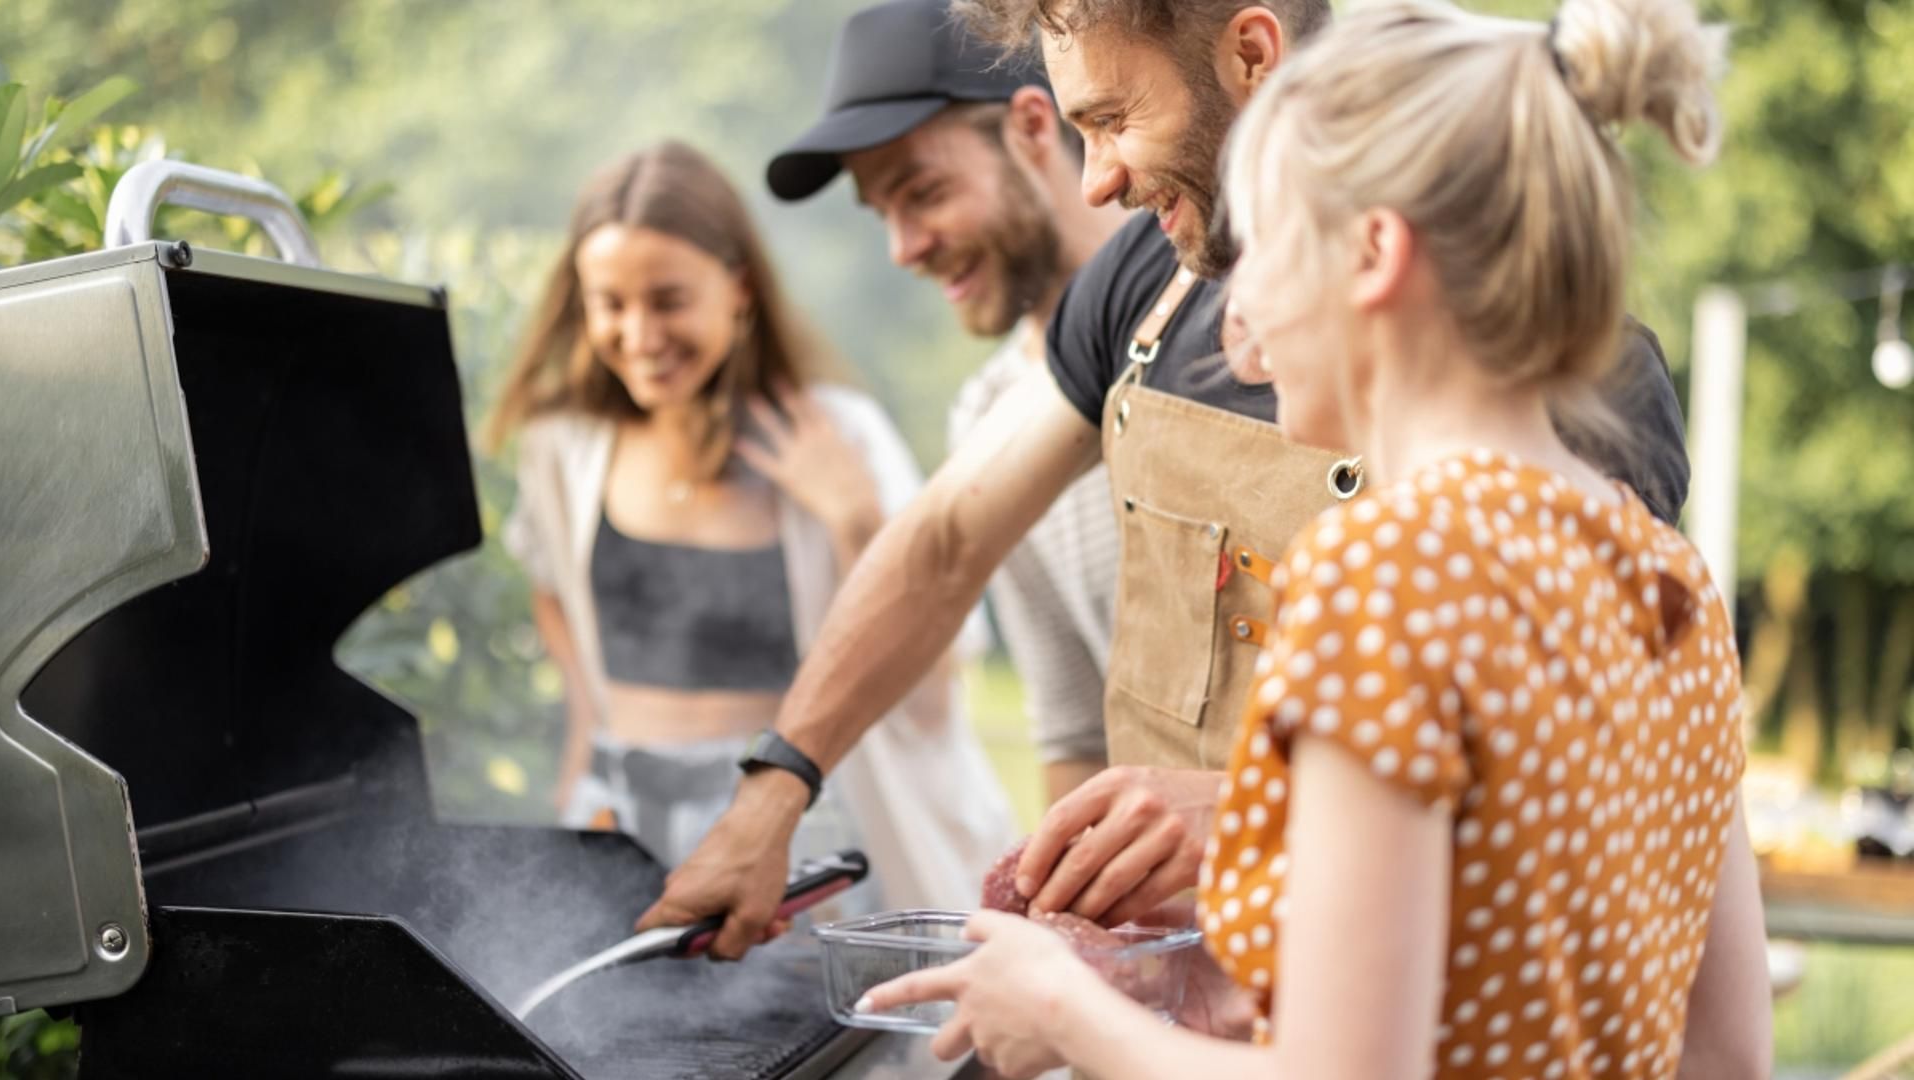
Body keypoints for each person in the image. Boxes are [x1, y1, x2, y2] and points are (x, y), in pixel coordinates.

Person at [636, 0, 1693, 957]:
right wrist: (773, 794)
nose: (1094, 183)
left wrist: (1248, 816)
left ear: (1251, 54)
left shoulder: (1570, 392)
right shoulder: (1145, 277)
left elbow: (1573, 809)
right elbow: (949, 539)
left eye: (1109, 120)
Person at [861, 1, 1773, 1075]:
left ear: (1375, 255)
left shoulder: (1378, 573)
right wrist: (1233, 991)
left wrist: (1062, 1012)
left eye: (1265, 249)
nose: (1233, 320)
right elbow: (1727, 1060)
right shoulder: (1662, 577)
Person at [487, 141, 1015, 911]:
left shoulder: (840, 433)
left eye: (668, 300)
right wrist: (583, 739)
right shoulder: (564, 446)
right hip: (616, 817)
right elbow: (552, 589)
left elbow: (933, 680)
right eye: (610, 303)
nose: (639, 335)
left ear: (737, 288)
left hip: (786, 825)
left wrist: (855, 516)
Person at [767, 0, 1131, 805]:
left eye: (923, 192)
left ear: (1033, 127)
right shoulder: (984, 416)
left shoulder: (1216, 316)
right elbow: (1075, 733)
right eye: (883, 215)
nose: (904, 249)